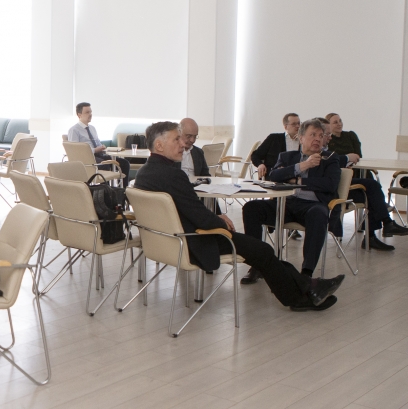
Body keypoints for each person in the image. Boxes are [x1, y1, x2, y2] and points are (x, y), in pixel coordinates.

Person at [134, 121, 342, 312]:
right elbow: (200, 217)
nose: (183, 144)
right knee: (263, 250)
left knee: (260, 251)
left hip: (167, 241)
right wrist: (221, 221)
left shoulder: (144, 174)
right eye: (177, 139)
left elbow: (190, 209)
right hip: (195, 240)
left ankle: (308, 288)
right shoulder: (173, 175)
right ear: (159, 145)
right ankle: (300, 296)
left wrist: (216, 217)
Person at [242, 118, 342, 279]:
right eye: (313, 135)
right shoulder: (287, 156)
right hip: (285, 204)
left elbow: (330, 184)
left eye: (320, 135)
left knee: (319, 214)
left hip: (311, 205)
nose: (317, 139)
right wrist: (303, 166)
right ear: (301, 138)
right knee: (251, 208)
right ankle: (257, 265)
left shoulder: (330, 159)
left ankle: (306, 273)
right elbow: (274, 176)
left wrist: (297, 180)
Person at [324, 113, 408, 250]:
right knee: (373, 192)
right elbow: (333, 161)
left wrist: (347, 160)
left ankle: (377, 232)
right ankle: (380, 229)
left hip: (355, 174)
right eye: (335, 122)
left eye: (340, 121)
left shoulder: (350, 136)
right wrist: (346, 158)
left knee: (372, 191)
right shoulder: (323, 145)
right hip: (341, 181)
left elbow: (357, 156)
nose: (339, 124)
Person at [67, 102, 130, 181]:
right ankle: (105, 188)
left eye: (91, 112)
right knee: (105, 165)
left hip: (100, 155)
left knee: (124, 163)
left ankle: (122, 188)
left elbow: (97, 142)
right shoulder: (74, 130)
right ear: (79, 115)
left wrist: (102, 147)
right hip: (87, 159)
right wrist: (95, 150)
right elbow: (75, 150)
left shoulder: (92, 128)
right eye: (87, 112)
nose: (90, 114)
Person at [250, 112, 301, 178]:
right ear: (285, 127)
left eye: (299, 123)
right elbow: (255, 155)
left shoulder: (303, 141)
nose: (298, 126)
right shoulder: (273, 138)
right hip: (273, 176)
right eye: (294, 124)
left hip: (294, 178)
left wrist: (302, 139)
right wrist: (260, 164)